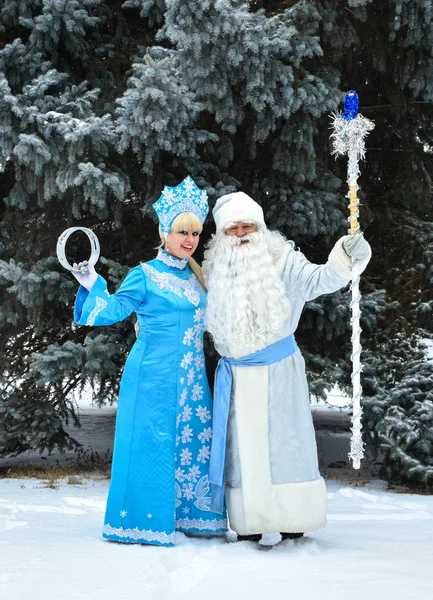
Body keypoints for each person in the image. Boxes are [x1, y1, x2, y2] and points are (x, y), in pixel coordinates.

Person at [202, 191, 371, 542]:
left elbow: (321, 280)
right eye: (233, 228)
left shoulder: (284, 260)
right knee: (242, 452)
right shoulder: (212, 270)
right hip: (236, 377)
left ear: (260, 227)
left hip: (279, 372)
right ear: (221, 235)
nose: (242, 232)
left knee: (286, 445)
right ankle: (249, 522)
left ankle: (293, 518)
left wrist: (345, 255)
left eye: (249, 225)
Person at [72, 176, 227, 546]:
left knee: (194, 443)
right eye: (181, 232)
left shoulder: (197, 278)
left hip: (191, 380)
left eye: (195, 232)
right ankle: (140, 522)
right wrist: (92, 284)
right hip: (151, 378)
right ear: (164, 232)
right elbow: (109, 312)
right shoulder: (144, 275)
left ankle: (194, 516)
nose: (189, 240)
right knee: (151, 444)